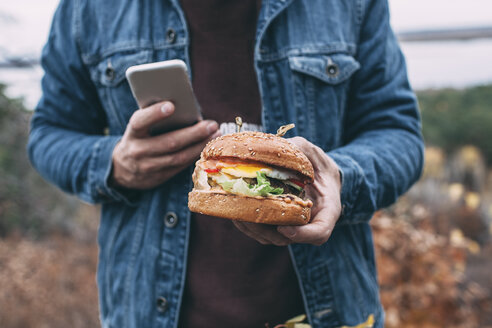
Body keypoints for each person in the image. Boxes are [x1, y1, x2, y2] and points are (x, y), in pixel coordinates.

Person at [27, 0, 424, 327]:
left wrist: (340, 177)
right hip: (148, 313)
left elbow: (398, 133)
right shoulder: (88, 8)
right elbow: (48, 135)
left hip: (328, 311)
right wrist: (114, 163)